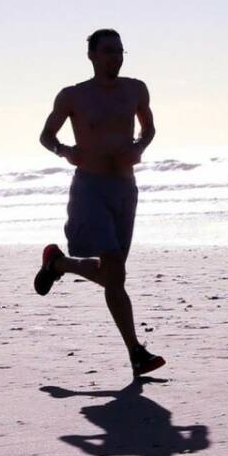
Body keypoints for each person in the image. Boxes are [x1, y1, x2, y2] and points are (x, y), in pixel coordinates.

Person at [33, 29, 165, 376]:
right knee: (115, 273)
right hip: (90, 187)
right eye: (108, 51)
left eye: (120, 51)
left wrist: (139, 146)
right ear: (91, 55)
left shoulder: (135, 89)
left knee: (113, 273)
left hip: (124, 188)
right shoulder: (73, 96)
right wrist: (65, 151)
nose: (115, 57)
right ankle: (136, 352)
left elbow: (149, 128)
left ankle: (58, 264)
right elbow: (46, 135)